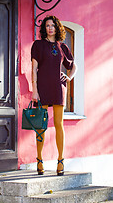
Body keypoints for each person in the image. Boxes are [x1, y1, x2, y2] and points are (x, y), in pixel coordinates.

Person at [31, 15, 77, 176]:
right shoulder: (38, 45)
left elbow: (73, 66)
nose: (50, 28)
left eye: (53, 25)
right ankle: (39, 159)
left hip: (58, 88)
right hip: (42, 88)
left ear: (57, 28)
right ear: (44, 29)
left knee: (59, 124)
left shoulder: (62, 47)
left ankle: (60, 160)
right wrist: (34, 90)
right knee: (41, 126)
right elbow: (34, 68)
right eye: (48, 26)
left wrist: (69, 77)